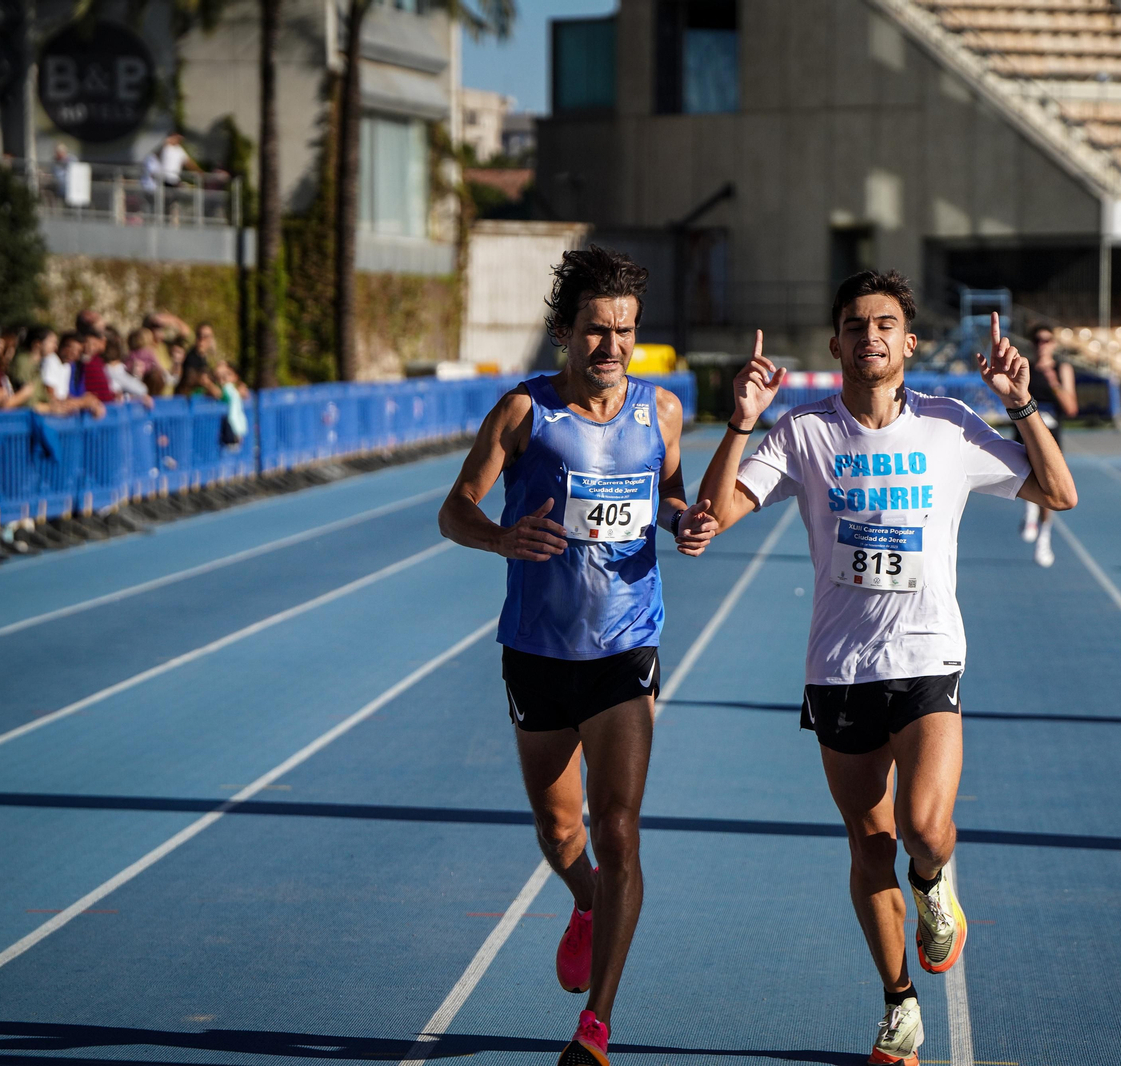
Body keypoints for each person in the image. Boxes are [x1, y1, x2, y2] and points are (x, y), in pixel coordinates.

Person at [696, 271, 1077, 1066]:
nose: (870, 334)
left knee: (923, 830)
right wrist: (739, 424)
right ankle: (899, 1002)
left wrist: (1020, 401)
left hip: (928, 654)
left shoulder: (950, 425)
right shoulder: (802, 432)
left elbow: (1059, 491)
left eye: (885, 323)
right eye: (854, 324)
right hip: (838, 667)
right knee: (868, 847)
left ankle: (936, 884)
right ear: (835, 343)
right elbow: (715, 512)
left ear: (908, 341)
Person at [436, 246, 719, 1066]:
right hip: (537, 650)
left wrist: (682, 520)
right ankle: (587, 899)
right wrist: (499, 536)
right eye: (597, 331)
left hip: (627, 646)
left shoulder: (660, 412)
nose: (612, 348)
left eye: (625, 331)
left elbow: (669, 491)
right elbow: (454, 508)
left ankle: (595, 1027)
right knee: (562, 831)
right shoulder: (524, 414)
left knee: (619, 826)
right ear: (566, 333)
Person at [1017, 323, 1078, 567]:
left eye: (1047, 340)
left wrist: (1053, 381)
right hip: (1026, 431)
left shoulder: (1063, 369)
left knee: (1049, 487)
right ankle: (1030, 513)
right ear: (1033, 344)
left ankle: (1044, 537)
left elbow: (1072, 408)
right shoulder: (1026, 368)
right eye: (1038, 340)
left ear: (1053, 343)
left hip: (1051, 436)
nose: (1043, 344)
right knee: (1028, 475)